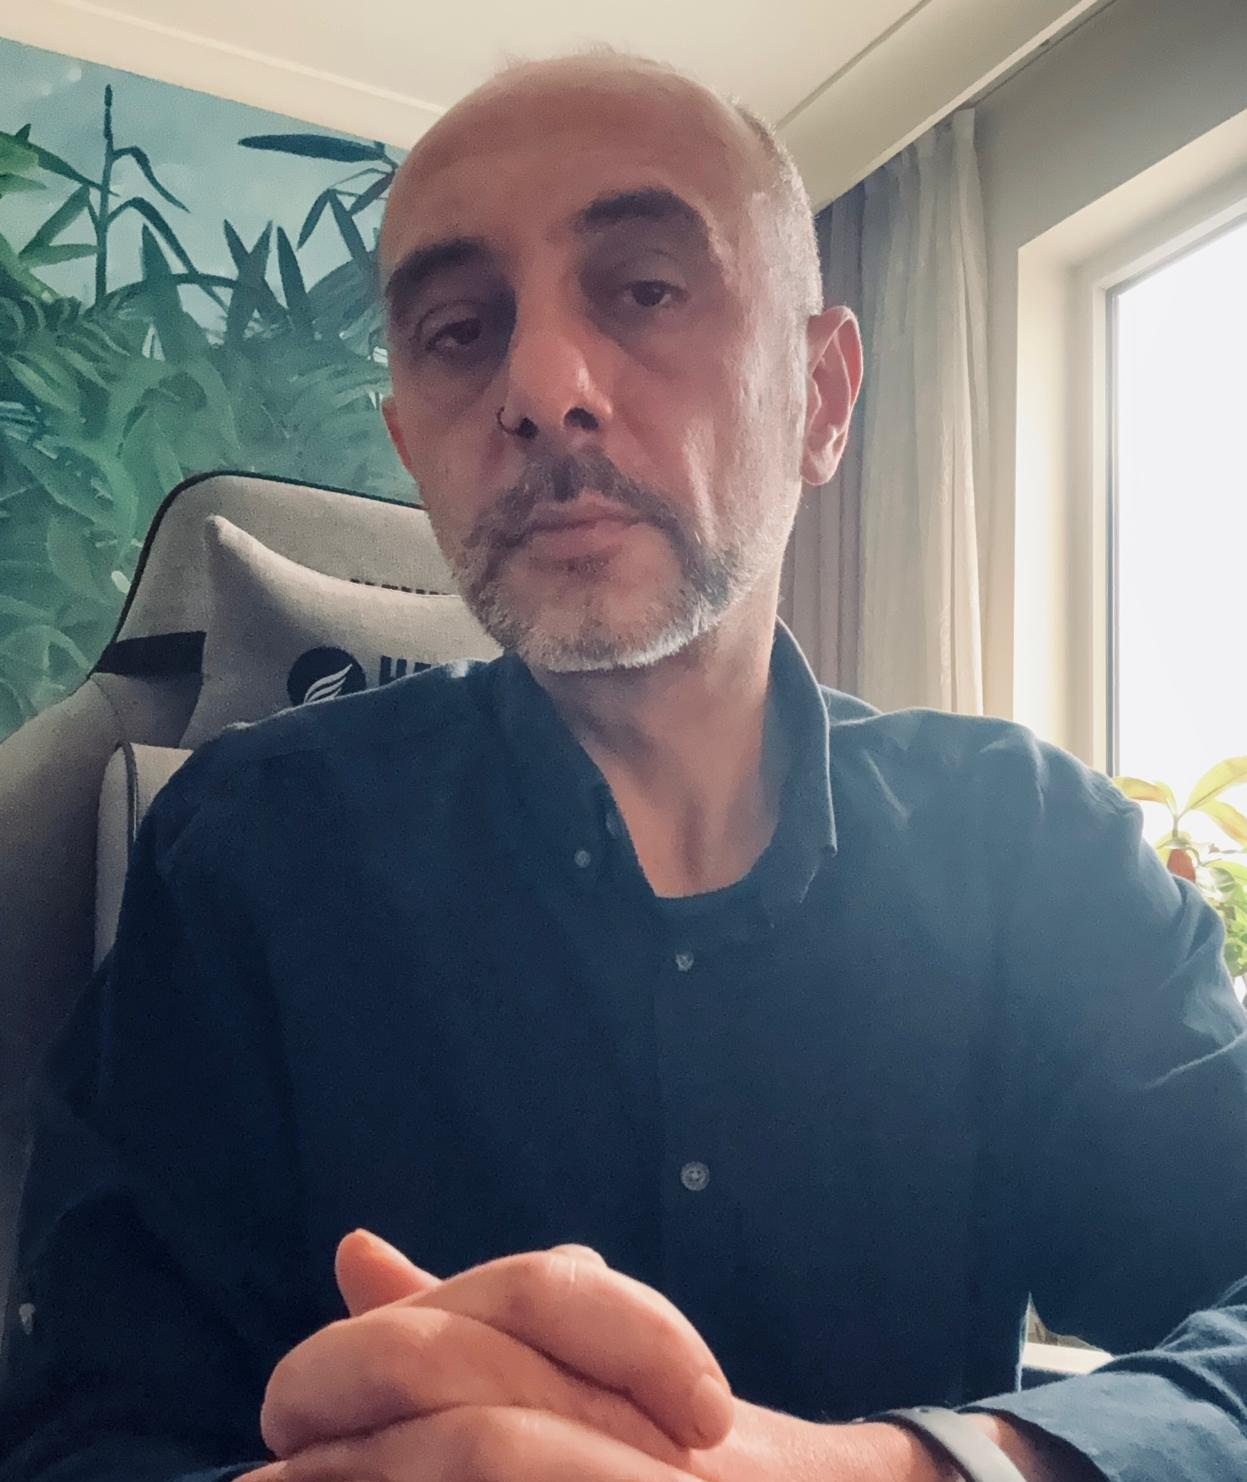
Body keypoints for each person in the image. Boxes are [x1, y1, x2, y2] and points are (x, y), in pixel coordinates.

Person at [3, 49, 1246, 1482]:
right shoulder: (237, 856)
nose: (540, 385)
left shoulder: (1032, 848)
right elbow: (88, 1429)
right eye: (461, 330)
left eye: (645, 287)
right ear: (414, 447)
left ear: (821, 395)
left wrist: (891, 1470)